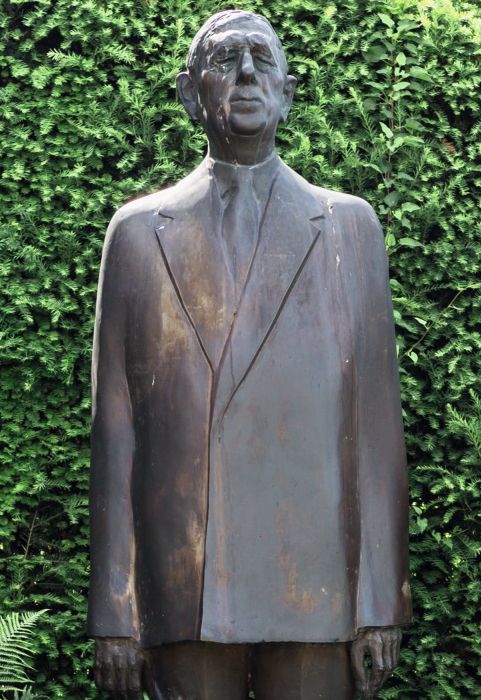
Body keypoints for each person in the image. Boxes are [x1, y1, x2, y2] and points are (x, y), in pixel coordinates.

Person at [88, 10, 410, 699]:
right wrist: (116, 608)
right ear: (188, 91)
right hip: (187, 577)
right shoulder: (138, 234)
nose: (244, 75)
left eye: (261, 60)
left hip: (314, 575)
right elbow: (114, 433)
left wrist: (380, 602)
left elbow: (377, 426)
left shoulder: (347, 226)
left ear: (289, 91)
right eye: (225, 58)